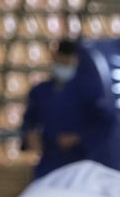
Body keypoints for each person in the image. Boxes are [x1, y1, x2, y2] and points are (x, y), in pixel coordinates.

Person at [21, 39, 83, 179]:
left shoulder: (84, 93)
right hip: (49, 157)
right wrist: (30, 136)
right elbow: (29, 120)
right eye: (61, 62)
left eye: (67, 63)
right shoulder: (40, 92)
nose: (64, 67)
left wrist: (78, 137)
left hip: (78, 159)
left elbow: (98, 125)